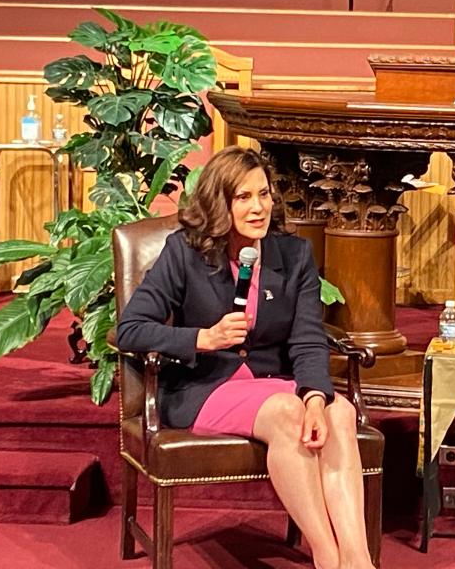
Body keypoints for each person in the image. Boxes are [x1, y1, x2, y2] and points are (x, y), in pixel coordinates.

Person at [116, 146, 375, 569]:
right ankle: (327, 557)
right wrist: (203, 337)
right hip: (205, 386)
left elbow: (308, 339)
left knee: (339, 412)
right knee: (289, 413)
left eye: (264, 195)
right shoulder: (185, 252)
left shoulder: (294, 256)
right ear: (221, 203)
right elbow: (131, 328)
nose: (258, 208)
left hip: (270, 383)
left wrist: (314, 397)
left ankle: (358, 559)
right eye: (243, 197)